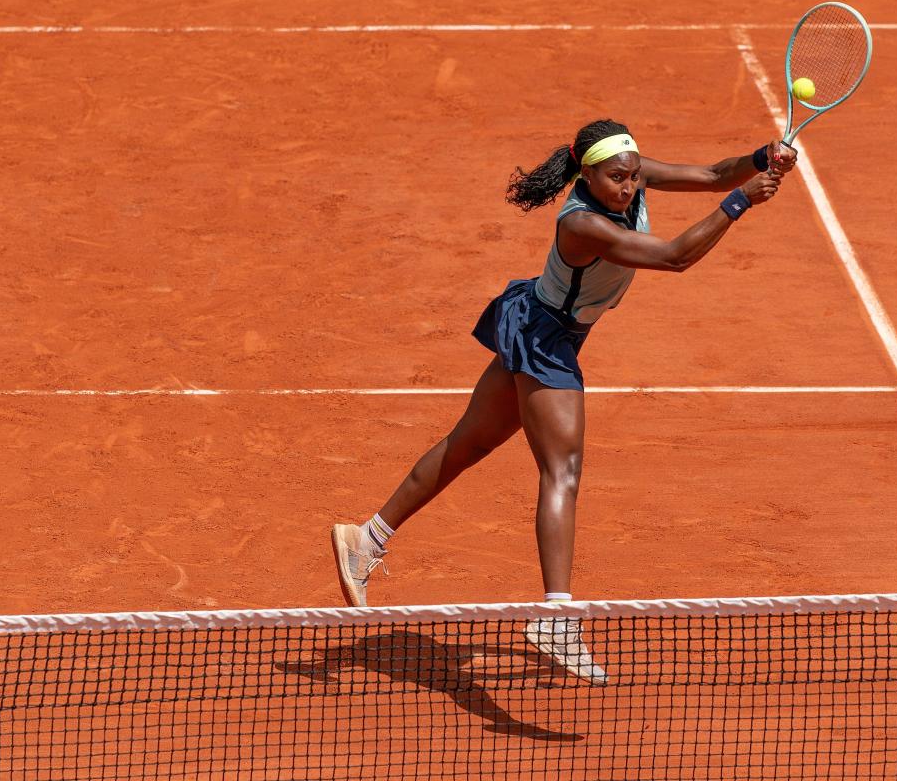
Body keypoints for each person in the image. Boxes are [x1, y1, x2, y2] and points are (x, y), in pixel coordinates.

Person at [333, 119, 798, 684]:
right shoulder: (581, 224)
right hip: (547, 338)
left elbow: (708, 172)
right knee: (563, 470)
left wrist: (758, 158)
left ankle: (367, 538)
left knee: (469, 445)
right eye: (615, 179)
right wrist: (740, 202)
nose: (628, 187)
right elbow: (675, 256)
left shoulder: (630, 174)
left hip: (537, 318)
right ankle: (556, 615)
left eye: (632, 176)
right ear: (588, 174)